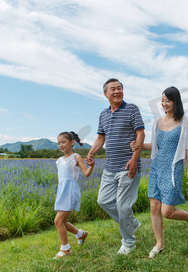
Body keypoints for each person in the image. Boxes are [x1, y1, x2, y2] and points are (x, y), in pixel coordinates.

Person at [130, 86, 188, 259]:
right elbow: (155, 146)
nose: (164, 103)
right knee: (154, 207)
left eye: (168, 100)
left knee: (167, 211)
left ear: (176, 101)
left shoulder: (185, 122)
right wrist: (139, 146)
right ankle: (159, 243)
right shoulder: (157, 122)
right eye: (162, 100)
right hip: (157, 167)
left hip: (174, 167)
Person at [85, 78, 145, 255]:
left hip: (128, 165)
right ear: (106, 94)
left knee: (124, 207)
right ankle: (131, 223)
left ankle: (129, 242)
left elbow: (140, 133)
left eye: (120, 88)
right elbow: (100, 138)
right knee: (103, 201)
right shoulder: (103, 114)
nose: (117, 91)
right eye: (113, 89)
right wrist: (91, 153)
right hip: (110, 167)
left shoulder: (132, 109)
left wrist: (135, 158)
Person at [53, 131, 94, 259]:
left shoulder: (75, 157)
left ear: (72, 142)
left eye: (63, 142)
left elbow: (86, 173)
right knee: (63, 221)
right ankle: (81, 234)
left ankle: (65, 249)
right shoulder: (59, 161)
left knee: (58, 220)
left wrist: (91, 166)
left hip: (70, 191)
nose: (61, 145)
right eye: (59, 143)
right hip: (62, 191)